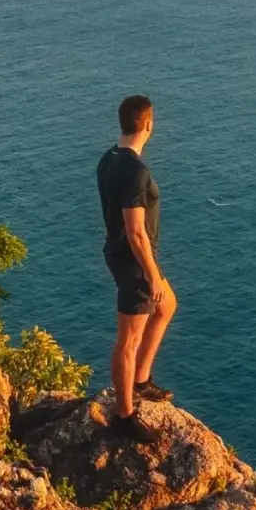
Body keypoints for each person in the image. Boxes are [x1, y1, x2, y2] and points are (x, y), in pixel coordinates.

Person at [98, 94, 176, 429]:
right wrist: (151, 274)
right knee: (128, 340)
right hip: (134, 262)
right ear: (147, 124)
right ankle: (125, 415)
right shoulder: (136, 171)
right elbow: (136, 232)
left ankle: (141, 380)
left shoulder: (109, 159)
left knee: (167, 306)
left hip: (123, 255)